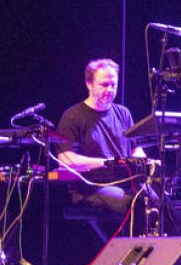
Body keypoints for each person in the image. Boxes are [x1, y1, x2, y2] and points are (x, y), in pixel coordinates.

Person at [56, 59, 150, 220]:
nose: (110, 89)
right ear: (89, 83)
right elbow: (66, 160)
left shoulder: (124, 113)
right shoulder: (72, 116)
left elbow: (136, 149)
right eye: (104, 84)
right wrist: (109, 162)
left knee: (160, 200)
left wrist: (145, 162)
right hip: (92, 188)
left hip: (126, 183)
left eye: (113, 85)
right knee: (134, 204)